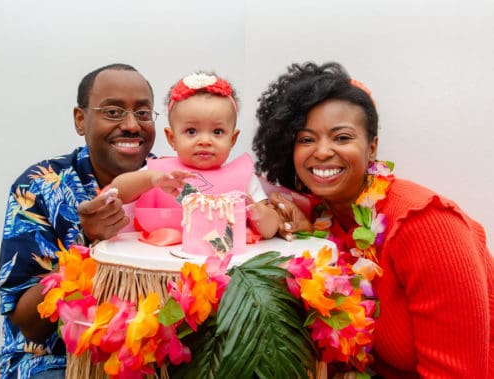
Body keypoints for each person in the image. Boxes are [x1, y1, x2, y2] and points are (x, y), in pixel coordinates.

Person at [252, 61, 493, 378]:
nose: (322, 152)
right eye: (306, 139)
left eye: (341, 137)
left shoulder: (425, 222)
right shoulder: (324, 223)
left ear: (372, 148)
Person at [0, 63, 157, 378]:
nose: (132, 125)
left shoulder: (169, 181)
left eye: (143, 113)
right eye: (113, 112)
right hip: (54, 358)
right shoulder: (40, 186)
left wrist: (271, 209)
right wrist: (87, 244)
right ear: (81, 120)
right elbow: (28, 324)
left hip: (149, 356)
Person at [112, 71, 279, 239]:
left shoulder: (244, 178)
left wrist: (257, 212)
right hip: (165, 260)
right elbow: (117, 191)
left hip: (226, 261)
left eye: (217, 131)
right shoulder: (162, 174)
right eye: (191, 131)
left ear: (232, 139)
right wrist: (150, 179)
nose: (205, 140)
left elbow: (270, 230)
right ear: (172, 138)